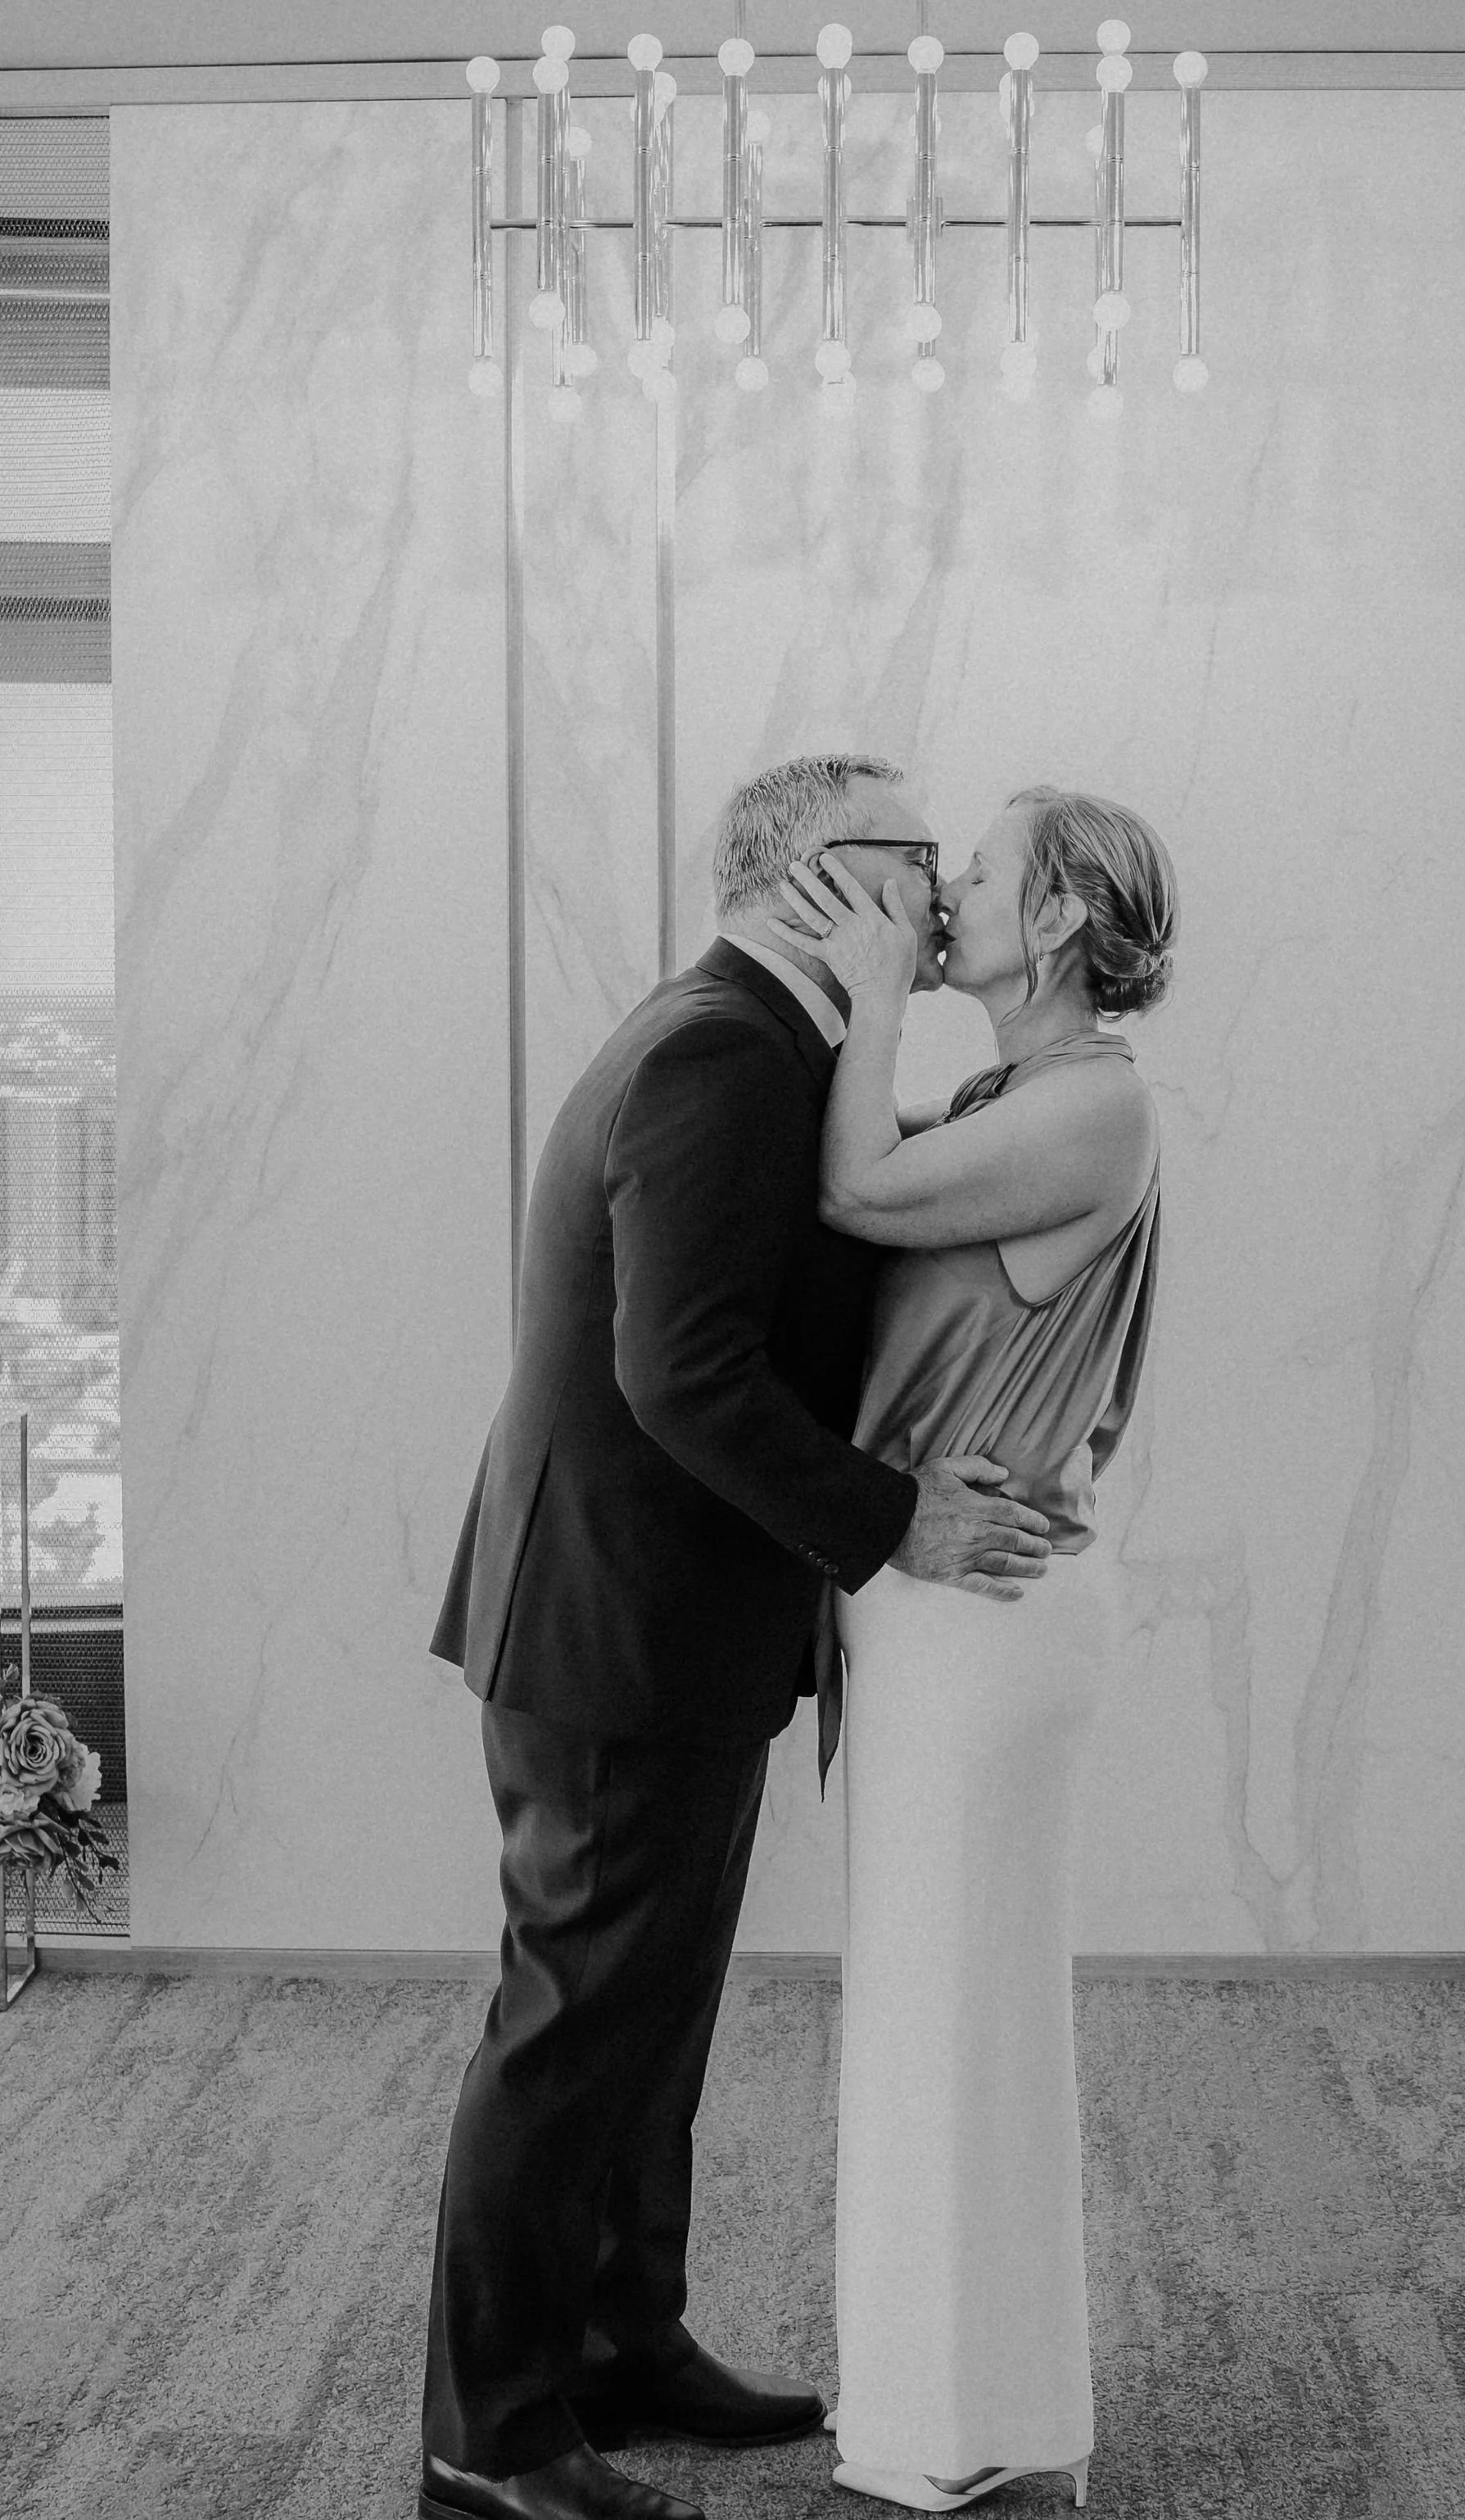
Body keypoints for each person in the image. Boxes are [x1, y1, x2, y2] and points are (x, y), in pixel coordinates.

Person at [417, 754, 1055, 2520]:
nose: (939, 894)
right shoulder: (719, 1050)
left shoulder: (775, 1045)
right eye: (916, 861)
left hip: (664, 1617)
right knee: (572, 2025)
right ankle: (491, 2431)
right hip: (614, 1623)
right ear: (815, 877)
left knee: (649, 2015)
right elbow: (681, 1372)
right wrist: (893, 1518)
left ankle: (627, 2341)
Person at [764, 784, 1177, 2516]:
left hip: (980, 1615)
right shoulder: (1014, 1094)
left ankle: (951, 2429)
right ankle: (968, 2408)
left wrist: (863, 985)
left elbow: (853, 1185)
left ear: (1066, 919)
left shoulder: (1093, 1108)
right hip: (950, 1605)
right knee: (944, 2016)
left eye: (983, 875)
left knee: (952, 2022)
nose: (943, 897)